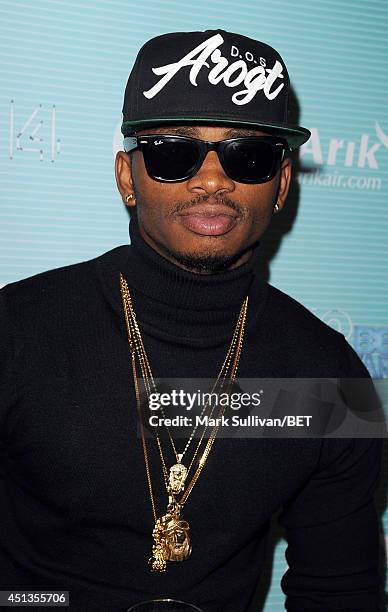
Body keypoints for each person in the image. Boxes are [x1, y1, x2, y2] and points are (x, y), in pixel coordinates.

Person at [0, 29, 383, 612]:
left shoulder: (332, 379)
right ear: (128, 177)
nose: (211, 180)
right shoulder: (17, 332)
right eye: (174, 152)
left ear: (281, 185)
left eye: (247, 155)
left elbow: (340, 592)